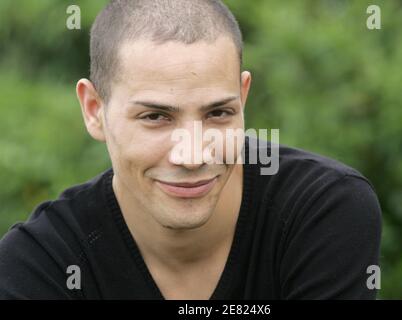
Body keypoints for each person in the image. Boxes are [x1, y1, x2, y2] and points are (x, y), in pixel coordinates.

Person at [0, 0, 382, 299]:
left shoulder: (319, 210)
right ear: (94, 110)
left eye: (218, 113)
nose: (193, 154)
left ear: (243, 98)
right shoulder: (41, 263)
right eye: (155, 117)